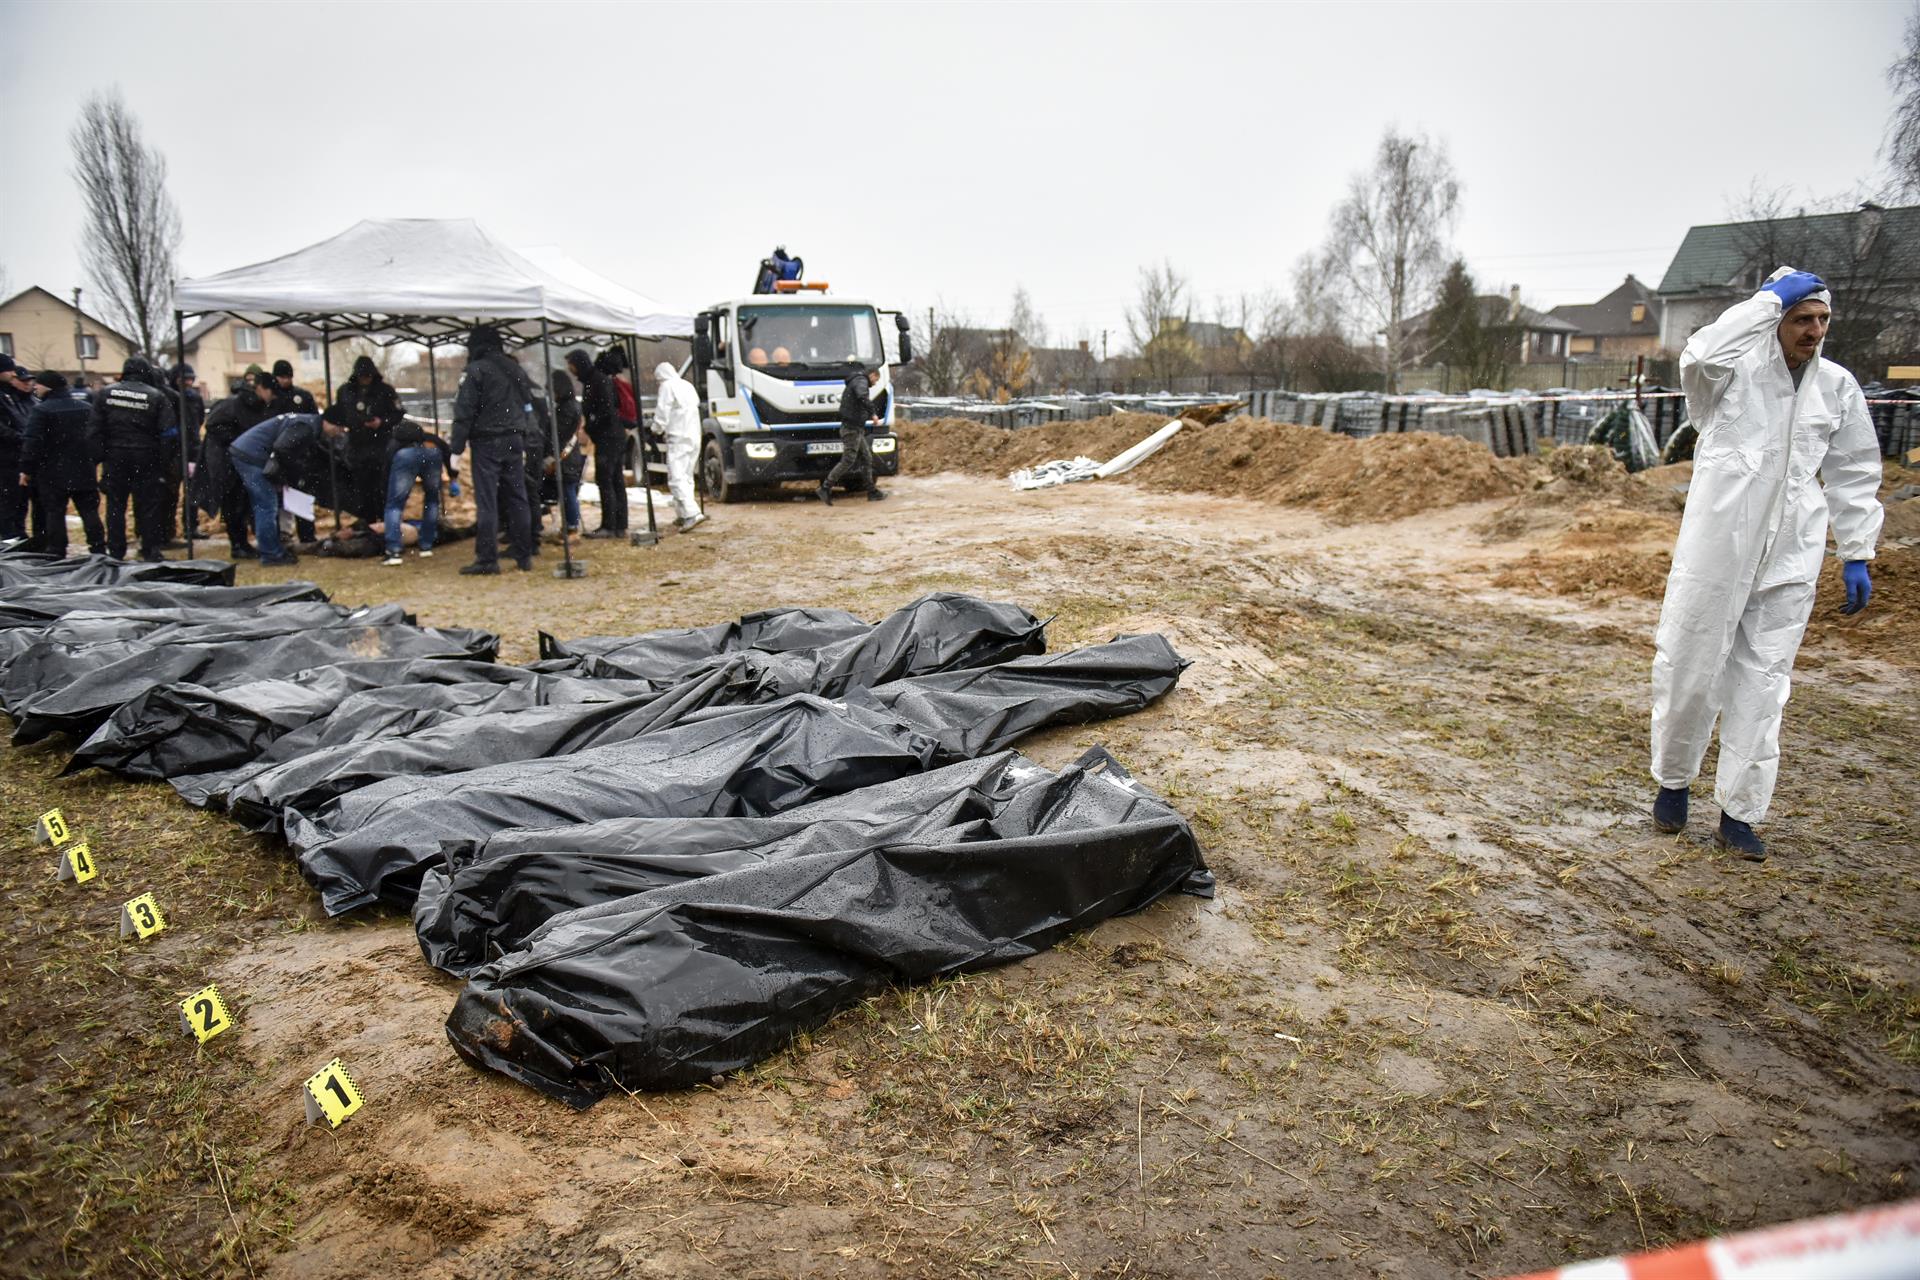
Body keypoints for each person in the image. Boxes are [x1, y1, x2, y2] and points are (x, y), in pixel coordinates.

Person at [1649, 268, 1883, 862]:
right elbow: (1697, 355)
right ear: (1775, 319)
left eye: (1822, 319)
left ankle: (1739, 812)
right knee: (1691, 663)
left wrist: (1856, 549)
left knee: (1765, 680)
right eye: (1802, 318)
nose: (1815, 329)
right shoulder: (1730, 375)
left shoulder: (1836, 386)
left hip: (1791, 554)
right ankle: (1674, 781)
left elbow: (1855, 469)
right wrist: (1765, 301)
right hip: (1718, 548)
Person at [450, 326, 534, 575]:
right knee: (518, 498)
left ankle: (487, 559)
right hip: (514, 438)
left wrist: (455, 448)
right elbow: (527, 403)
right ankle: (524, 555)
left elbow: (464, 411)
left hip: (487, 441)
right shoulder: (514, 368)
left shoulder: (475, 371)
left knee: (487, 501)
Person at [226, 408, 346, 566]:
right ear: (329, 422)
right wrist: (288, 475)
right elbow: (282, 448)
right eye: (338, 428)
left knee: (266, 505)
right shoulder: (306, 427)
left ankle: (273, 549)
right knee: (266, 506)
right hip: (251, 457)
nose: (339, 433)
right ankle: (271, 554)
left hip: (248, 452)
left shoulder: (308, 423)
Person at [91, 355, 173, 561]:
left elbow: (94, 431)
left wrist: (100, 458)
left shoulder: (104, 394)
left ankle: (117, 550)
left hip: (115, 456)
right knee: (148, 505)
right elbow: (169, 433)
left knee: (116, 505)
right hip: (147, 457)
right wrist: (163, 462)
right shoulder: (156, 396)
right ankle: (150, 547)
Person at [19, 370, 107, 557]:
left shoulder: (41, 410)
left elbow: (32, 441)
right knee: (89, 511)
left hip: (52, 472)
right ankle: (98, 549)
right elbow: (96, 435)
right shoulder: (84, 407)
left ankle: (57, 552)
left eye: (39, 384)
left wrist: (26, 469)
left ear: (48, 386)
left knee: (55, 513)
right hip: (84, 469)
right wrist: (94, 459)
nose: (35, 387)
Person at [198, 373, 275, 557]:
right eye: (272, 392)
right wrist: (240, 442)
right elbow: (214, 425)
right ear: (262, 388)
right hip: (228, 463)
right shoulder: (234, 404)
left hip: (241, 461)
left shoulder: (254, 406)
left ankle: (242, 543)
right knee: (233, 505)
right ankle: (238, 545)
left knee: (242, 504)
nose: (273, 398)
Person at [334, 355, 401, 530]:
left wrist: (382, 422)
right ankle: (368, 523)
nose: (365, 380)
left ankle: (385, 524)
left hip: (381, 446)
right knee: (362, 489)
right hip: (357, 447)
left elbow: (397, 414)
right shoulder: (346, 391)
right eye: (362, 376)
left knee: (382, 487)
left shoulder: (385, 390)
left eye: (368, 376)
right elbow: (340, 414)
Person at [568, 348, 627, 538]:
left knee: (606, 479)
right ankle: (619, 525)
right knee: (615, 479)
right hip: (612, 435)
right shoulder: (597, 380)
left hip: (608, 437)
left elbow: (606, 411)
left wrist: (591, 427)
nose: (570, 369)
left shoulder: (597, 381)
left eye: (571, 365)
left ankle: (609, 525)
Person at [380, 416, 446, 566]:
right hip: (432, 455)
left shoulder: (395, 444)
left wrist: (385, 490)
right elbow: (445, 449)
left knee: (394, 505)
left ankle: (394, 550)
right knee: (432, 500)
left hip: (405, 458)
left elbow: (387, 467)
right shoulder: (430, 439)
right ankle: (427, 544)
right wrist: (453, 475)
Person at [820, 366, 886, 506]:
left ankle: (871, 491)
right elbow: (862, 396)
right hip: (851, 429)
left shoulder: (856, 380)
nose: (875, 383)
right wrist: (873, 413)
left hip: (855, 428)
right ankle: (825, 487)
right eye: (876, 379)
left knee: (866, 457)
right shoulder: (861, 381)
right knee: (848, 461)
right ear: (872, 375)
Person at [652, 361, 705, 532]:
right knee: (687, 476)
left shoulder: (667, 387)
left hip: (678, 437)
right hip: (694, 436)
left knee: (676, 478)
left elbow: (662, 412)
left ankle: (691, 513)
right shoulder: (687, 385)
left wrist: (655, 429)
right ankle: (682, 514)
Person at [161, 363, 205, 545]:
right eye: (183, 378)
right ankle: (168, 530)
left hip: (193, 449)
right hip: (173, 451)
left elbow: (200, 419)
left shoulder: (194, 398)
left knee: (193, 490)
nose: (187, 382)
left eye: (190, 378)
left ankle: (191, 526)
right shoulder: (167, 397)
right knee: (170, 493)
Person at [549, 370, 589, 535]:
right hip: (572, 455)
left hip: (566, 457)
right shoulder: (573, 405)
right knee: (569, 490)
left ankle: (572, 526)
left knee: (568, 491)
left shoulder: (566, 408)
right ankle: (571, 525)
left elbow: (560, 434)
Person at [0, 354, 34, 542]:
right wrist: (19, 437)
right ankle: (7, 538)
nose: (13, 373)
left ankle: (18, 535)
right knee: (7, 500)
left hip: (16, 456)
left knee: (19, 500)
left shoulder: (10, 394)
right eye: (9, 370)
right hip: (5, 456)